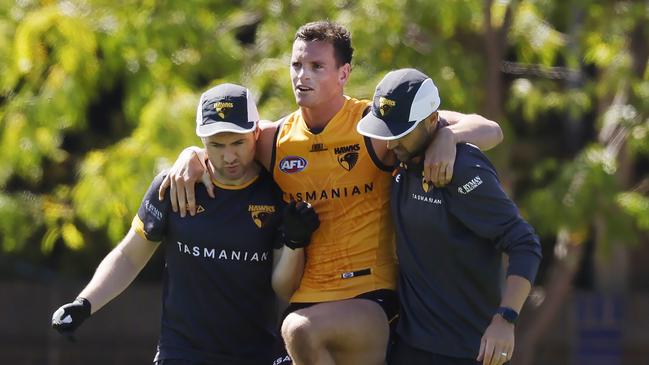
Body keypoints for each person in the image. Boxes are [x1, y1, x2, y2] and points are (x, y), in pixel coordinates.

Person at [161, 21, 504, 365]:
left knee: (299, 330)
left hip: (371, 301)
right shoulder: (274, 139)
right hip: (307, 301)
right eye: (296, 65)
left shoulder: (376, 125)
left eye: (316, 66)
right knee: (298, 328)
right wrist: (191, 154)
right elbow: (227, 146)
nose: (302, 76)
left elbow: (490, 129)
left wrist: (448, 137)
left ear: (344, 73)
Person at [51, 83, 319, 365]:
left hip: (256, 355)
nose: (229, 157)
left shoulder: (278, 191)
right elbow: (129, 256)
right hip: (181, 355)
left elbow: (283, 288)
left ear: (255, 133)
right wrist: (84, 303)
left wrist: (294, 242)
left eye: (238, 143)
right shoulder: (173, 186)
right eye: (216, 145)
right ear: (202, 140)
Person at [356, 68, 543, 365]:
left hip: (466, 351)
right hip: (408, 345)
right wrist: (447, 134)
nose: (390, 144)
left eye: (399, 133)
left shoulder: (462, 168)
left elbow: (524, 242)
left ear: (431, 121)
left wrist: (505, 320)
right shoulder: (403, 151)